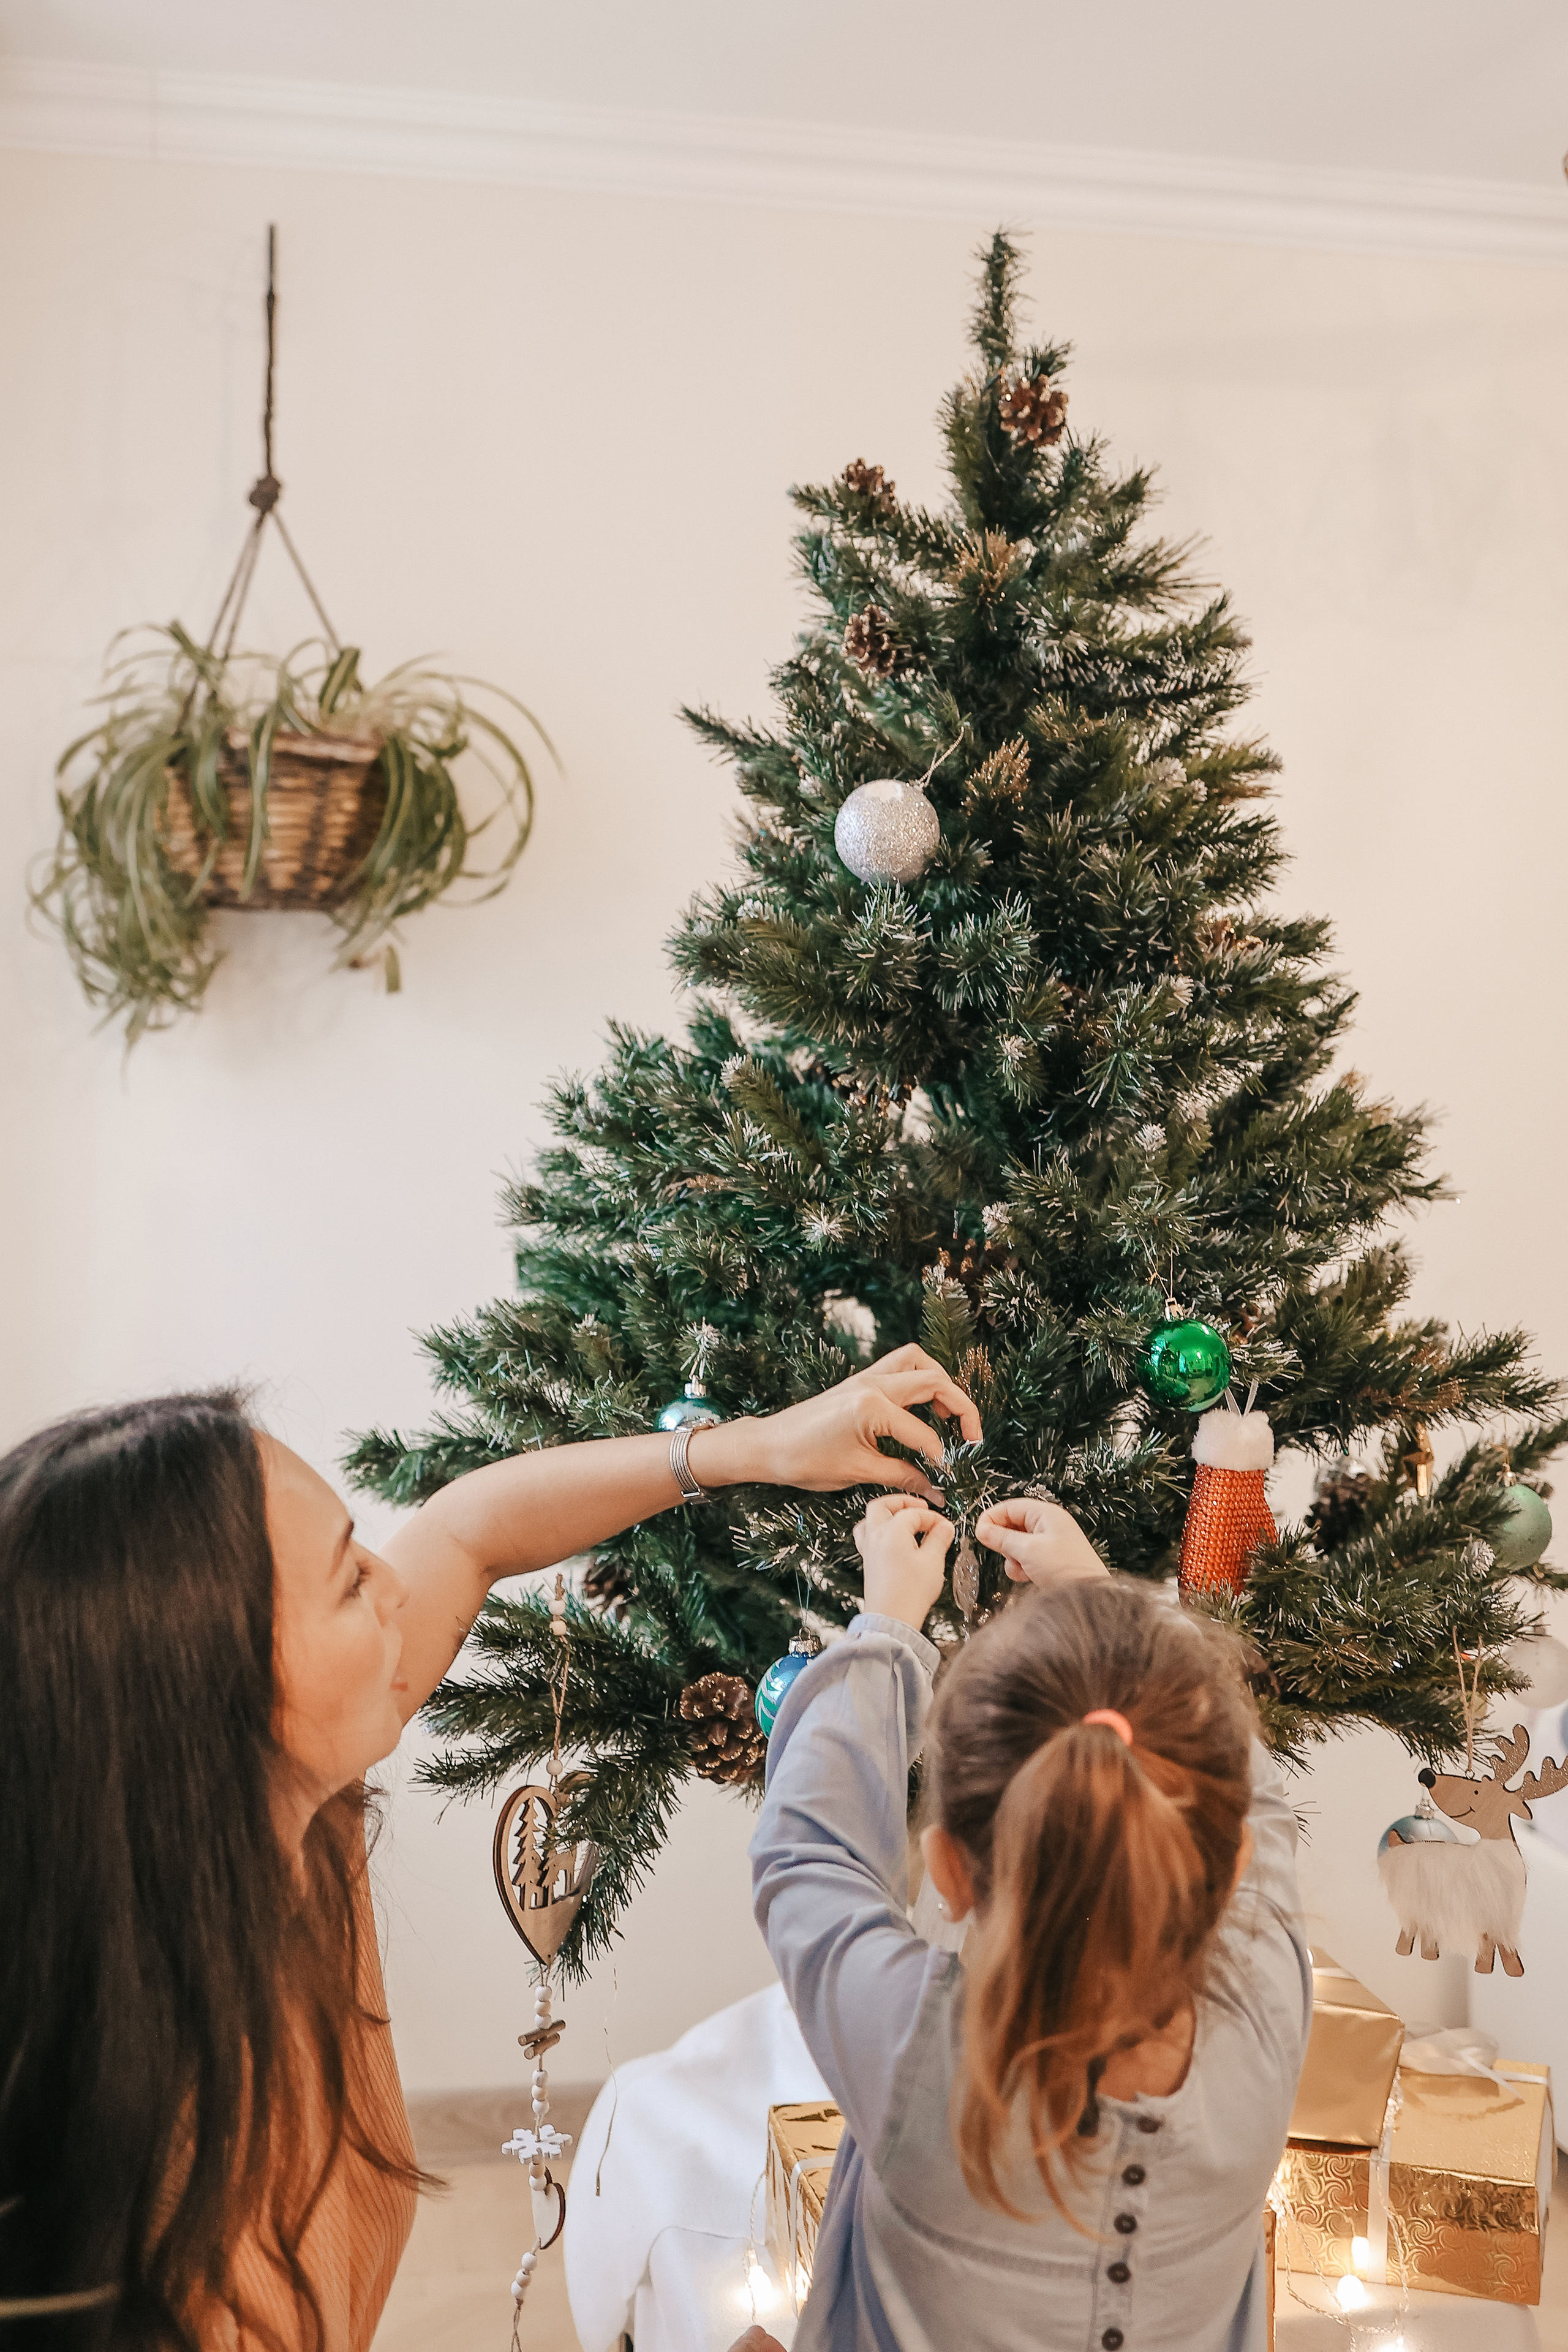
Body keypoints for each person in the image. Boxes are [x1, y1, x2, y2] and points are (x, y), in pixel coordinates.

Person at [0, 1345, 979, 2351]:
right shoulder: (142, 2256)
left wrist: (759, 1446)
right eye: (348, 1584)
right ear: (216, 1701)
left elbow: (469, 1531)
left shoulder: (280, 1810)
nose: (395, 1584)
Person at [751, 1491, 1312, 2352]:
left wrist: (889, 1623)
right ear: (1228, 1870)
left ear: (946, 1871)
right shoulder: (1264, 2010)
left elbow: (806, 1852)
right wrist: (1101, 1605)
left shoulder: (911, 2050)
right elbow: (1258, 1805)